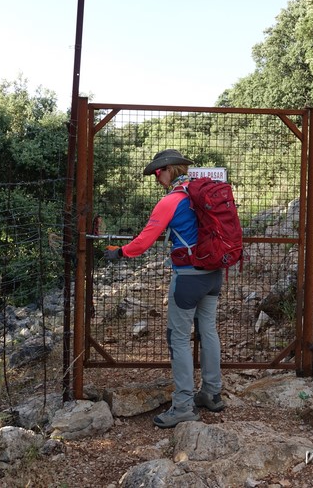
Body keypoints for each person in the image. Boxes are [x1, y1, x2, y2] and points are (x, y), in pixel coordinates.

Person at [104, 149, 225, 428]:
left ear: (169, 170)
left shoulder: (171, 200)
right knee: (208, 331)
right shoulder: (205, 194)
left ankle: (183, 405)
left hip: (188, 277)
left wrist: (120, 252)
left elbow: (145, 240)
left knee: (179, 339)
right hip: (214, 274)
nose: (156, 178)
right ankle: (211, 393)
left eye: (158, 173)